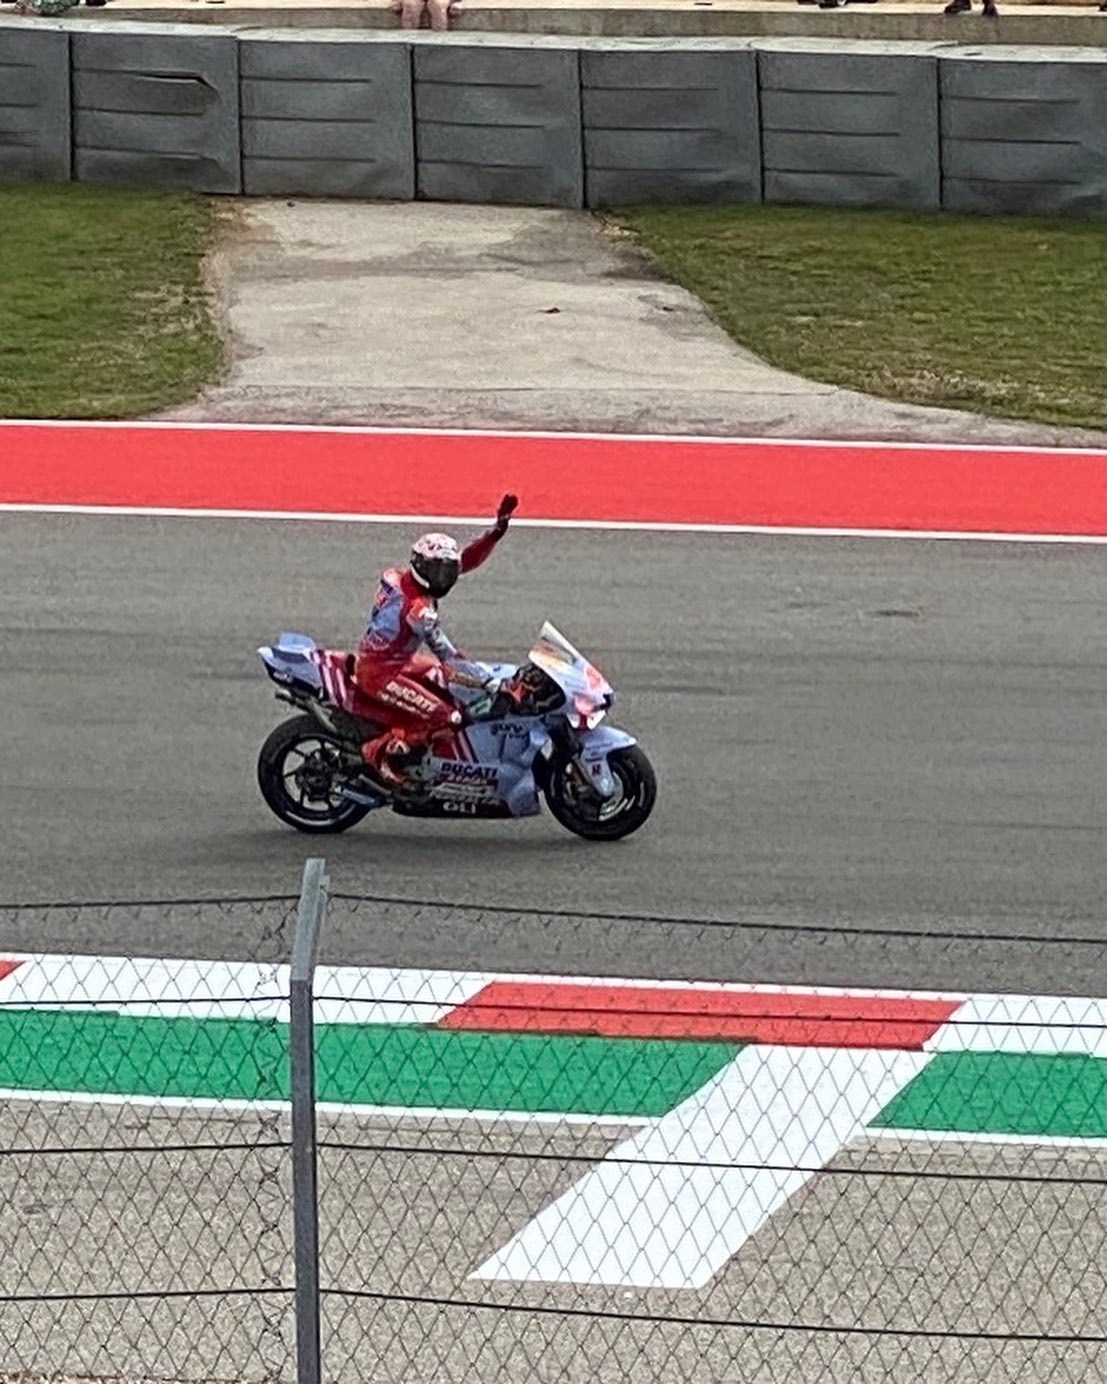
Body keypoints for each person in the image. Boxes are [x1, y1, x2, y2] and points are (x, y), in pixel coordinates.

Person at [353, 494, 518, 791]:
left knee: (446, 687)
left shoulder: (397, 577)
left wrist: (496, 531)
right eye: (437, 572)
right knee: (449, 716)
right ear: (420, 566)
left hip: (394, 661)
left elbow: (465, 561)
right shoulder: (419, 611)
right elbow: (449, 657)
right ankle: (379, 753)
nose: (444, 579)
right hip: (380, 674)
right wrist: (489, 683)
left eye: (447, 572)